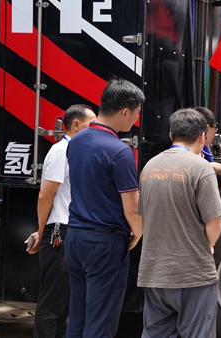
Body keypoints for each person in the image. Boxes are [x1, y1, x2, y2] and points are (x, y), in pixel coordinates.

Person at [65, 78, 144, 337]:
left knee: (78, 316)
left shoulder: (76, 141)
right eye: (136, 114)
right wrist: (137, 232)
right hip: (104, 242)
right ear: (125, 111)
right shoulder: (119, 152)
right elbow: (131, 209)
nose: (135, 120)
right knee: (100, 322)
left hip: (74, 237)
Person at [137, 108, 221, 338]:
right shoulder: (201, 168)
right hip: (192, 274)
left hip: (154, 273)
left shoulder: (149, 167)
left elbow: (144, 216)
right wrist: (205, 246)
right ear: (202, 137)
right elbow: (215, 223)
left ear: (170, 135)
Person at [25, 104, 96, 338]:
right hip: (59, 233)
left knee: (66, 304)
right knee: (52, 303)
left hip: (73, 232)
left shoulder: (78, 151)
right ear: (76, 124)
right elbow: (46, 194)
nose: (94, 128)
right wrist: (41, 231)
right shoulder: (60, 151)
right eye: (90, 124)